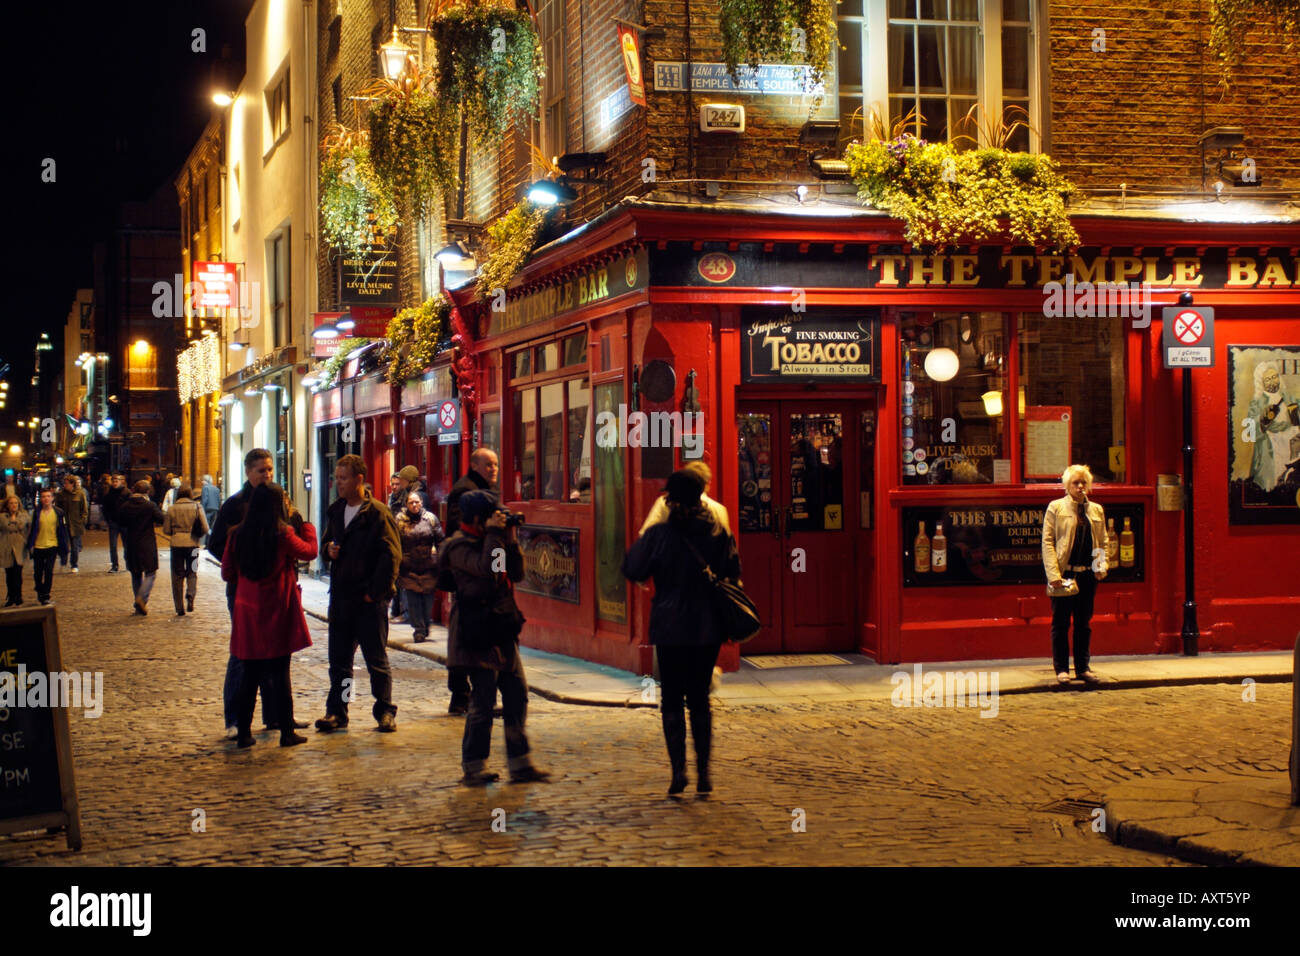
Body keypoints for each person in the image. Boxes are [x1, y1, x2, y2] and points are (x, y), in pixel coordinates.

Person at [622, 467, 741, 796]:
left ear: (671, 501)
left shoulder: (660, 535)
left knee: (672, 698)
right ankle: (704, 774)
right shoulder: (719, 530)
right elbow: (733, 572)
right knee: (700, 698)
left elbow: (632, 567)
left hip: (671, 625)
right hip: (707, 626)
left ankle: (679, 772)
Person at [439, 490, 550, 785]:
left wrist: (509, 540)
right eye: (492, 516)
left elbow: (516, 573)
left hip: (501, 628)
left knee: (517, 695)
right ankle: (474, 766)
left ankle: (520, 763)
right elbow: (489, 571)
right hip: (476, 632)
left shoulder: (496, 539)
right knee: (483, 700)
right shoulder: (457, 546)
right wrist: (493, 535)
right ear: (478, 518)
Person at [222, 483, 318, 748]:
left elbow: (227, 573)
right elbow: (309, 552)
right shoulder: (282, 534)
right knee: (280, 671)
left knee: (249, 673)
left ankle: (243, 732)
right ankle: (286, 731)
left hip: (247, 609)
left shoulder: (237, 534)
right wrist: (309, 528)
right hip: (276, 607)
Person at [315, 454, 402, 734]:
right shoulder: (336, 510)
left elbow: (391, 555)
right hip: (341, 598)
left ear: (359, 480)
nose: (338, 483)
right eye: (337, 478)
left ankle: (385, 710)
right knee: (340, 662)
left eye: (343, 478)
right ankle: (338, 712)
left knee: (376, 660)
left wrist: (375, 593)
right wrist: (328, 549)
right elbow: (326, 542)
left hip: (368, 601)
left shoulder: (377, 513)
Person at [638, 460, 731, 696]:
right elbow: (730, 560)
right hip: (708, 606)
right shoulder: (719, 511)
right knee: (700, 688)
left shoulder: (663, 508)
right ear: (706, 484)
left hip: (670, 605)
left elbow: (644, 544)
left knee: (672, 690)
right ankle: (702, 697)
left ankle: (676, 718)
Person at [208, 449, 279, 739]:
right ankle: (235, 718)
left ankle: (275, 715)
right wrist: (238, 564)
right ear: (248, 472)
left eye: (270, 470)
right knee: (242, 652)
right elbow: (215, 544)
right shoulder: (234, 505)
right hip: (242, 589)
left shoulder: (277, 499)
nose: (267, 475)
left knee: (273, 651)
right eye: (262, 470)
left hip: (271, 586)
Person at [444, 448, 500, 715]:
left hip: (486, 576)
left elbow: (501, 564)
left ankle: (480, 694)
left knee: (485, 634)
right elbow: (460, 529)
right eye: (488, 464)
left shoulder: (487, 491)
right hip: (467, 572)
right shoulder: (465, 491)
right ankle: (461, 694)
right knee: (462, 634)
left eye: (496, 465)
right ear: (474, 465)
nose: (493, 469)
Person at [1042, 464, 1109, 686]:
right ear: (1067, 485)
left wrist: (1101, 567)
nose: (1080, 487)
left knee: (1084, 623)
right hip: (1064, 574)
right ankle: (1061, 669)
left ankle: (1083, 667)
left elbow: (1102, 541)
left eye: (1083, 483)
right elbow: (1048, 541)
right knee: (1060, 623)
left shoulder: (1096, 510)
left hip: (1087, 575)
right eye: (1075, 483)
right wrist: (1053, 573)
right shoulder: (1056, 507)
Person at [395, 491, 444, 643]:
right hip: (408, 567)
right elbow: (395, 541)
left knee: (427, 600)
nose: (414, 505)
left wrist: (440, 559)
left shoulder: (430, 519)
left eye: (417, 502)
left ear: (421, 502)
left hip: (428, 565)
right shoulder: (400, 520)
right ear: (407, 504)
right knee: (413, 600)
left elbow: (440, 539)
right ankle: (419, 630)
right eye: (411, 502)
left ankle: (425, 624)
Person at [1248, 361, 1300, 493]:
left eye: (1274, 377)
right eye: (1268, 379)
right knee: (1274, 486)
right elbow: (1250, 433)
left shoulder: (1289, 398)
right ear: (1261, 383)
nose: (1272, 381)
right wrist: (1263, 421)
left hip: (1292, 446)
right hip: (1271, 448)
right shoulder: (1257, 404)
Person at [118, 481, 165, 615]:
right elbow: (161, 519)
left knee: (135, 573)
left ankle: (139, 604)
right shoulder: (149, 506)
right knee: (150, 573)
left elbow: (120, 521)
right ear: (147, 492)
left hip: (131, 543)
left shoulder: (126, 506)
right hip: (147, 543)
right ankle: (141, 598)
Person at [162, 484, 208, 616]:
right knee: (192, 571)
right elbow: (205, 527)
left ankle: (179, 607)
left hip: (176, 546)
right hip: (193, 545)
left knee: (177, 575)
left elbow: (166, 530)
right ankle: (190, 594)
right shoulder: (197, 507)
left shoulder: (172, 509)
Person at [25, 489, 69, 606]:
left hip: (52, 545)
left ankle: (46, 594)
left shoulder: (59, 512)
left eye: (48, 496)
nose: (46, 499)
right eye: (44, 496)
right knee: (38, 572)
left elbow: (62, 530)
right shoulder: (37, 513)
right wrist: (30, 544)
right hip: (39, 546)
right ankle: (39, 590)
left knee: (49, 571)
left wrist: (64, 545)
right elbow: (32, 529)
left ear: (52, 498)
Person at [54, 475, 88, 573]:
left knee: (74, 546)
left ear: (72, 484)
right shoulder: (61, 495)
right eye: (64, 483)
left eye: (67, 483)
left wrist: (82, 521)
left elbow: (84, 509)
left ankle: (74, 564)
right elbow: (57, 509)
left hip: (76, 523)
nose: (65, 485)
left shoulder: (80, 494)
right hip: (64, 524)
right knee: (63, 544)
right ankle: (63, 561)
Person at [1, 496, 31, 607]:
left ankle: (18, 595)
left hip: (19, 546)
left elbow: (23, 526)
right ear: (7, 505)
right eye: (11, 503)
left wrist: (14, 523)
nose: (14, 505)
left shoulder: (24, 516)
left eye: (15, 503)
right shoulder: (2, 517)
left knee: (18, 573)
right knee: (9, 574)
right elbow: (6, 527)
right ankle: (11, 596)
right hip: (7, 546)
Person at [103, 474, 128, 573]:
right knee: (113, 546)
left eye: (116, 481)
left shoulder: (126, 492)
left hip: (124, 523)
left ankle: (128, 564)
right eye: (113, 481)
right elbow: (105, 508)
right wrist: (108, 519)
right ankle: (114, 565)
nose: (114, 483)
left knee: (126, 545)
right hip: (113, 522)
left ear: (121, 481)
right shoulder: (109, 493)